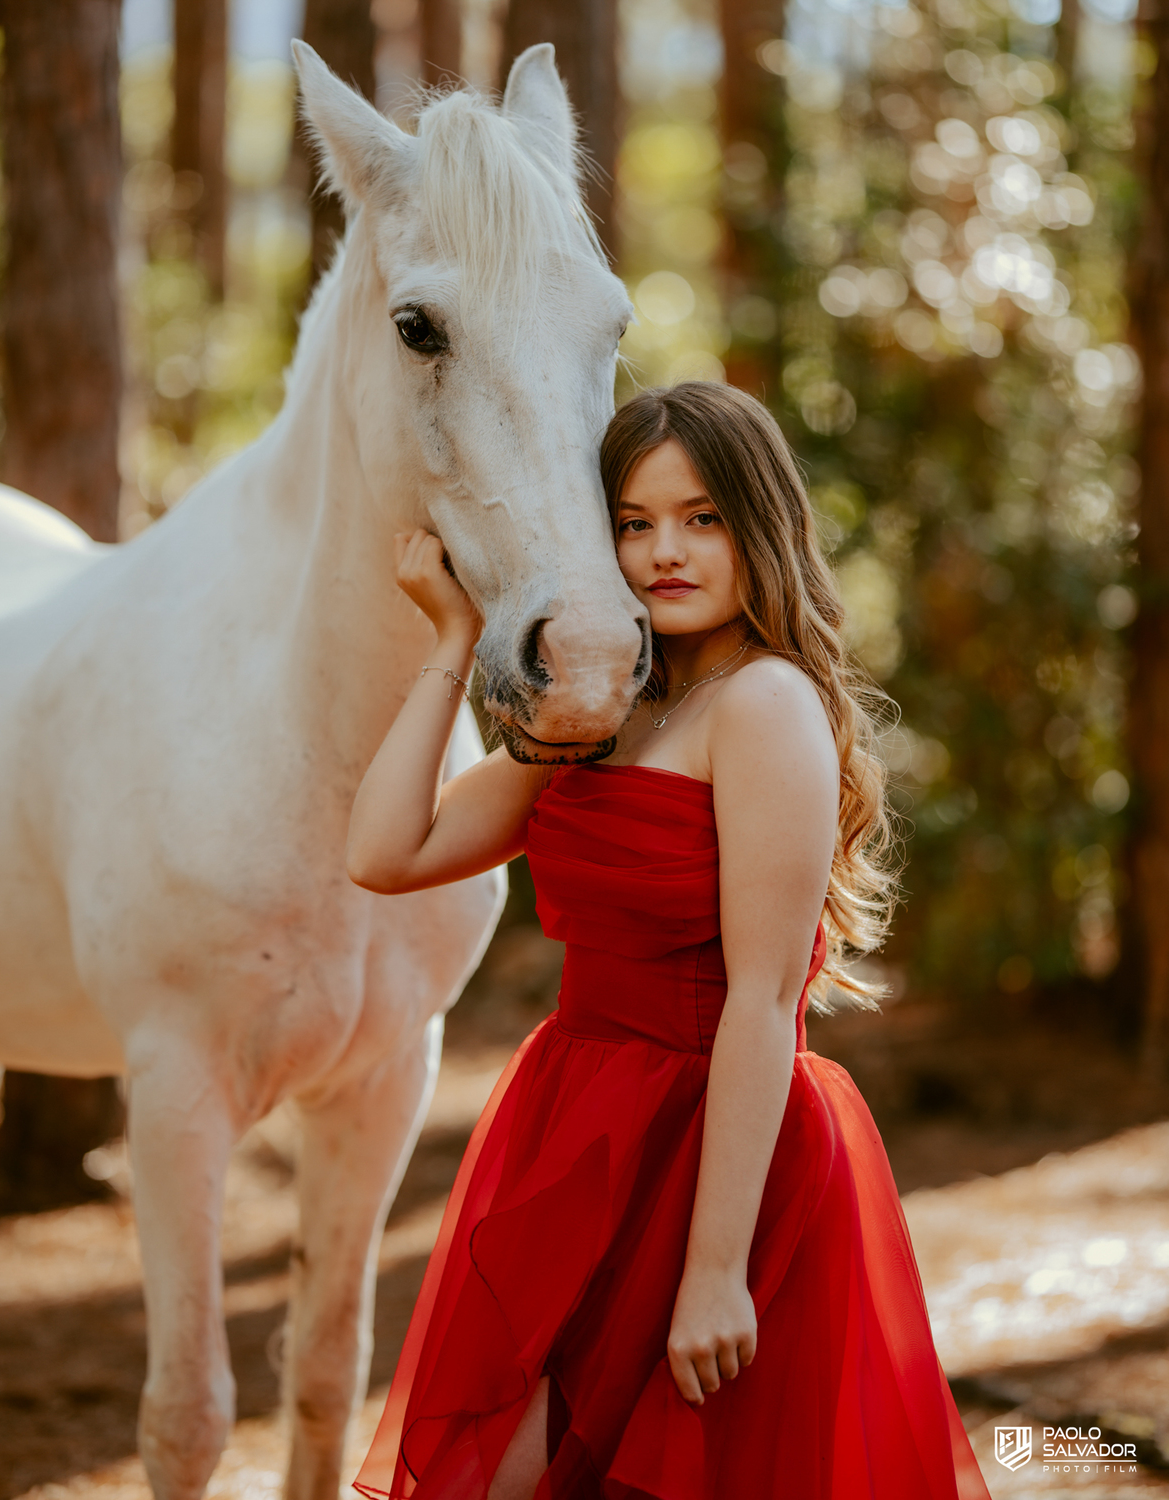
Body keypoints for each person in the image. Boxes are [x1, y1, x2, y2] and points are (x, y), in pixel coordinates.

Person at [346, 382, 989, 1500]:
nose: (664, 553)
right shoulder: (606, 710)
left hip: (713, 1148)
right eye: (634, 524)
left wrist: (714, 1270)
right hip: (577, 1129)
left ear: (759, 526)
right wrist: (454, 635)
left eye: (701, 518)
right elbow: (387, 852)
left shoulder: (766, 705)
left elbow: (764, 998)